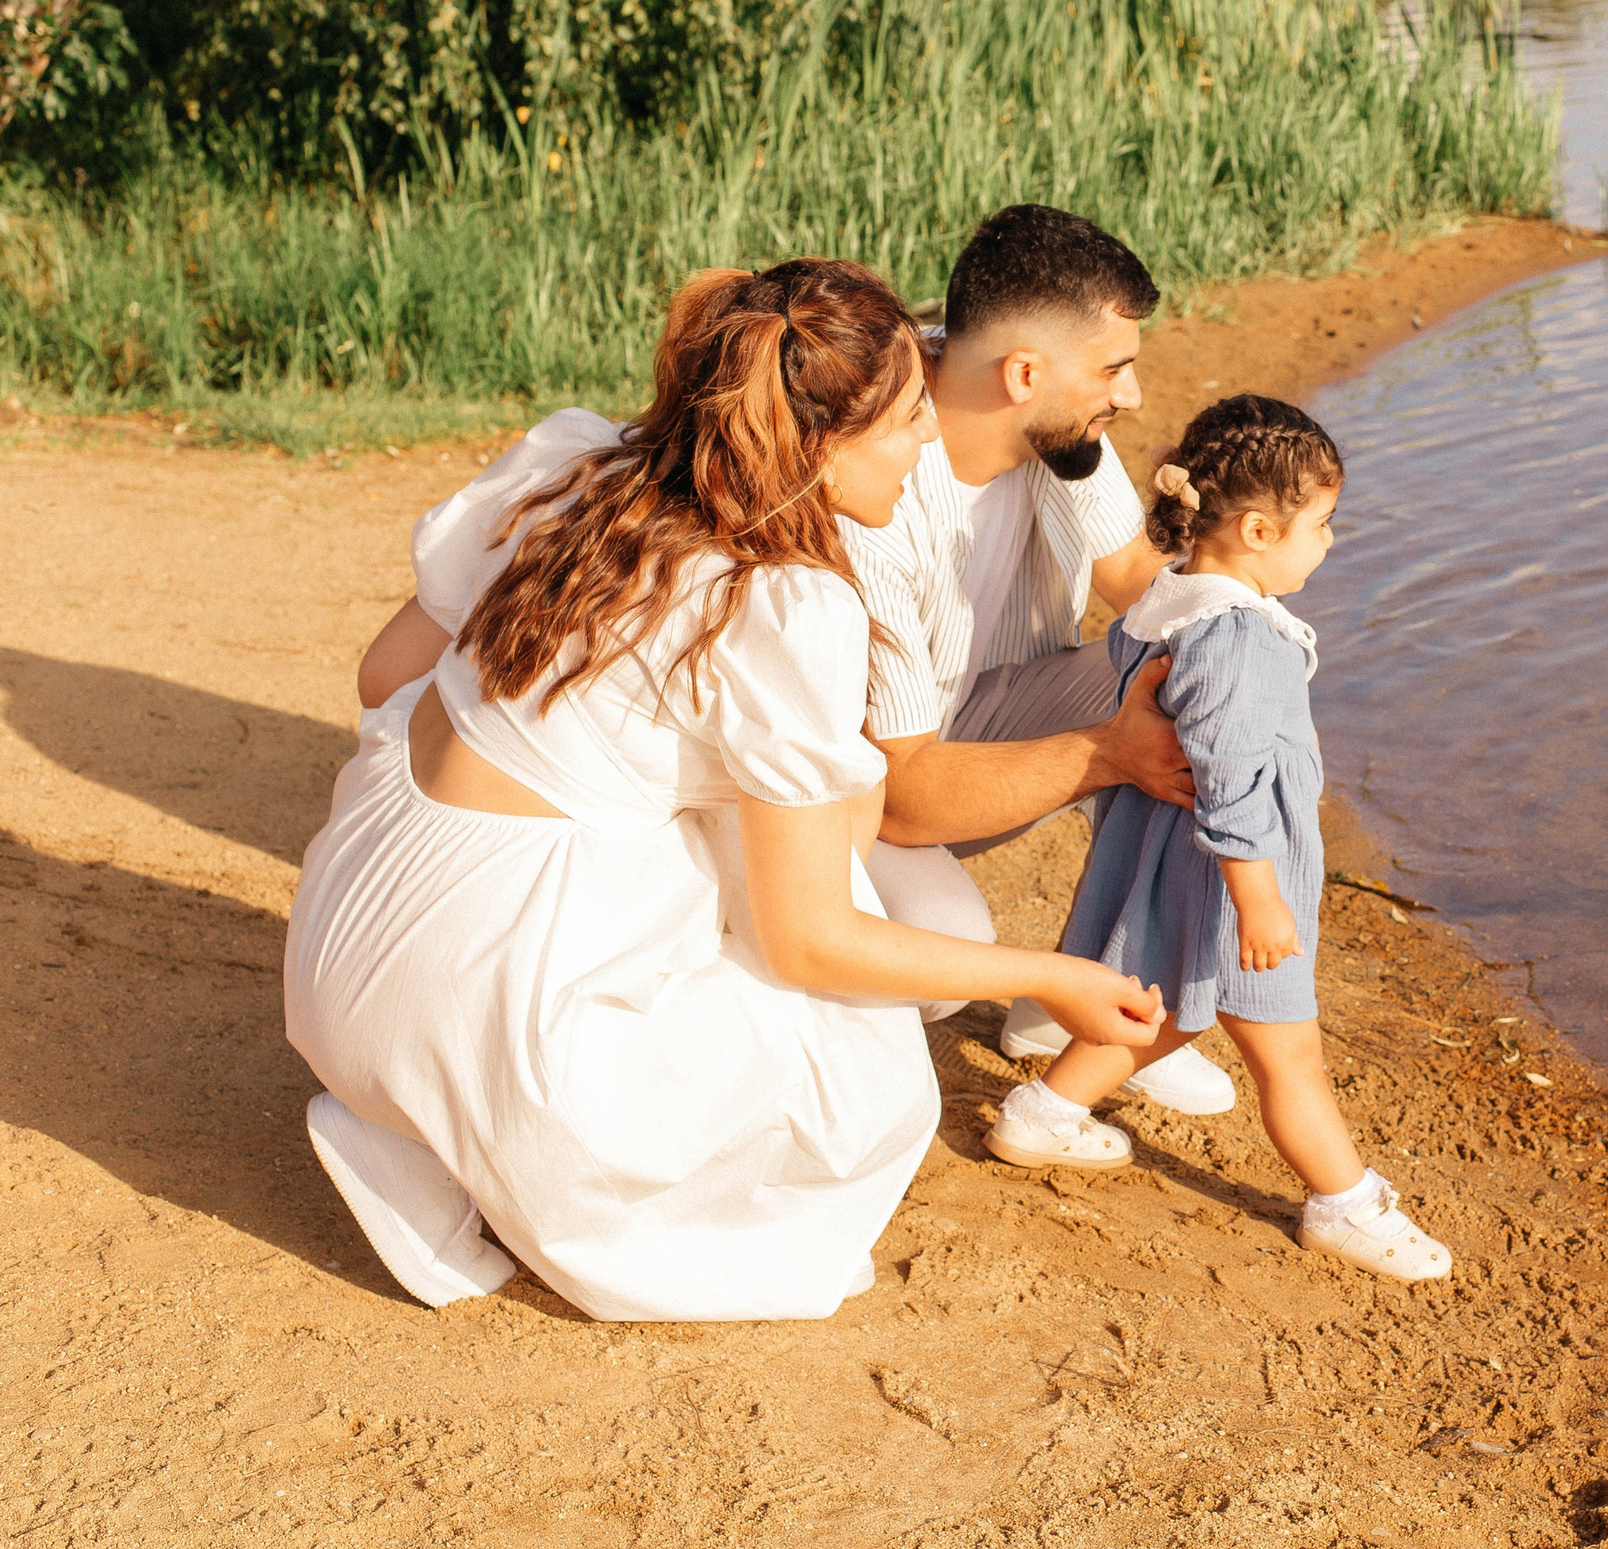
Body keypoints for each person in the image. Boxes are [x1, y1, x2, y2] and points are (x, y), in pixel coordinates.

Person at [292, 259, 1165, 1321]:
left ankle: (408, 1101)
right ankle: (462, 1147)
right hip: (482, 1009)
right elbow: (814, 936)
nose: (927, 440)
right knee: (862, 1062)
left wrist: (573, 737)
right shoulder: (780, 605)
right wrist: (1052, 975)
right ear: (817, 447)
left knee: (679, 829)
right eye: (901, 423)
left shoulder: (572, 467)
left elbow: (385, 679)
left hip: (350, 932)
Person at [984, 396, 1452, 1284]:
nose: (1329, 542)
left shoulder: (1175, 598)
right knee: (1289, 1052)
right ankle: (1343, 1203)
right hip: (1226, 871)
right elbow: (1230, 773)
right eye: (1322, 524)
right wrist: (1258, 893)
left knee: (1163, 1010)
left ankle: (1043, 1113)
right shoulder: (1237, 634)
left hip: (1174, 854)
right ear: (1256, 528)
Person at [851, 204, 1235, 1116]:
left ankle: (1100, 998)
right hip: (857, 790)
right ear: (1024, 372)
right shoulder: (870, 473)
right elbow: (901, 799)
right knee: (942, 949)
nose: (1133, 396)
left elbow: (1137, 582)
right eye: (1113, 369)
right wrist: (1108, 753)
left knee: (1201, 674)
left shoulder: (1046, 422)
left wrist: (1235, 567)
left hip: (963, 720)